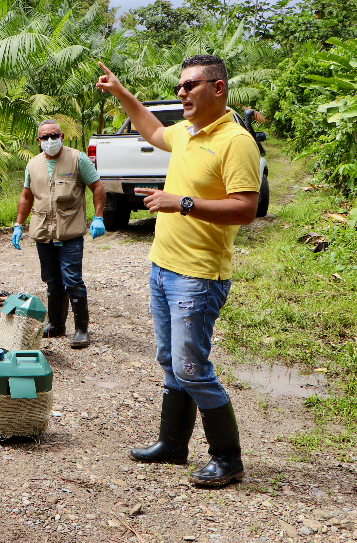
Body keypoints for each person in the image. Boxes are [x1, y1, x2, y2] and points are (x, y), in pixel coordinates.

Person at [96, 55, 260, 487]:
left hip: (198, 275)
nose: (181, 93)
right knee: (170, 361)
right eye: (180, 85)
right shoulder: (187, 133)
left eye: (190, 85)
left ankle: (227, 458)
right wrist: (121, 93)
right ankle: (173, 444)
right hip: (164, 268)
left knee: (191, 367)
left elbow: (246, 209)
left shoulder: (236, 142)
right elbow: (150, 129)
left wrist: (182, 203)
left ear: (218, 88)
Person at [10, 119, 106, 348]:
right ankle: (56, 324)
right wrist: (17, 224)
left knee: (72, 280)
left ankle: (82, 329)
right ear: (38, 140)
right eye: (45, 137)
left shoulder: (77, 159)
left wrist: (98, 216)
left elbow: (97, 187)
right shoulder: (32, 165)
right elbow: (26, 196)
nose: (50, 140)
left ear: (62, 137)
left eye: (54, 136)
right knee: (52, 281)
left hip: (70, 231)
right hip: (44, 232)